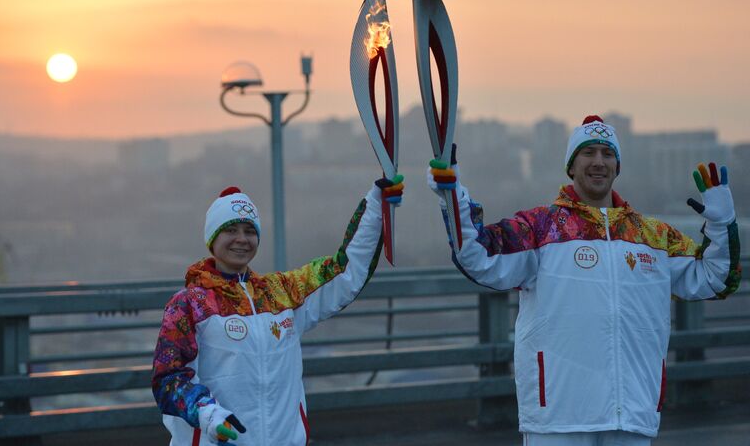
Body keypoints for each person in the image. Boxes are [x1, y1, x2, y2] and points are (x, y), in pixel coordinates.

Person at [427, 115, 741, 446]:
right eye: (588, 152)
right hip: (559, 420)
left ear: (617, 167)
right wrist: (453, 197)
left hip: (631, 416)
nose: (598, 162)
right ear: (572, 166)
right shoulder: (540, 228)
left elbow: (717, 279)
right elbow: (477, 256)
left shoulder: (653, 237)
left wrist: (722, 224)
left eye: (607, 154)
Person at [152, 176, 403, 445]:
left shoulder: (282, 293)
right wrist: (208, 415)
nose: (241, 239)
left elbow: (344, 270)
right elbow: (168, 379)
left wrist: (376, 205)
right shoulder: (189, 304)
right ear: (212, 238)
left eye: (249, 231)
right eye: (231, 230)